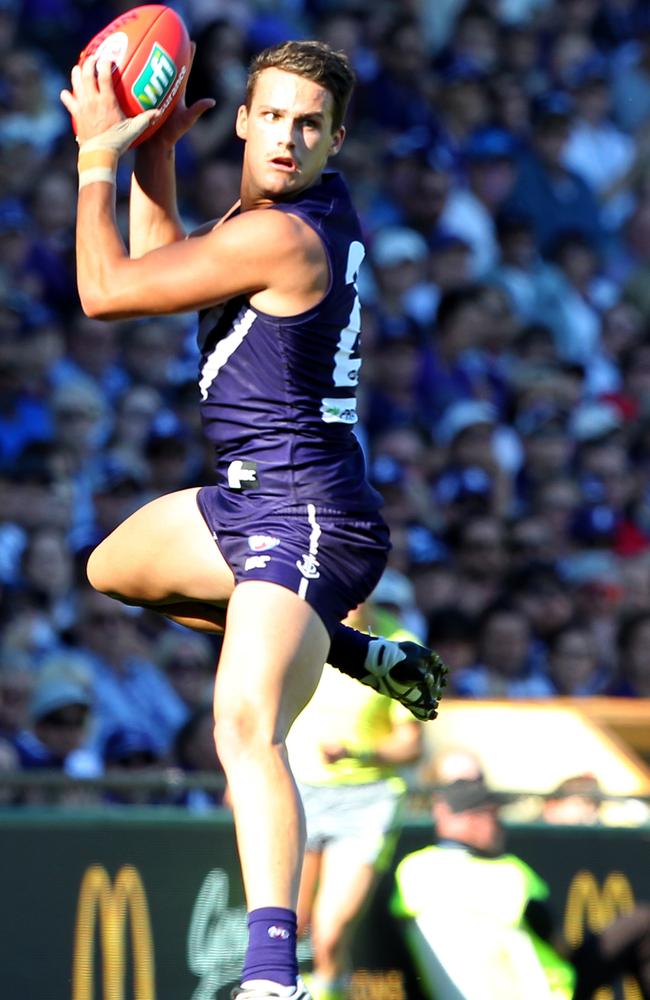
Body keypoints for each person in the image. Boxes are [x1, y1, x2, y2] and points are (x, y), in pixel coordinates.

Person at [59, 39, 446, 999]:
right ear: (242, 119)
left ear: (336, 140)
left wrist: (99, 156)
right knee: (113, 569)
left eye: (309, 125)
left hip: (307, 512)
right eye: (271, 115)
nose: (287, 135)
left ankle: (274, 976)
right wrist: (156, 154)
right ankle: (358, 655)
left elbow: (106, 292)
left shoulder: (278, 235)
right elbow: (165, 269)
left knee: (243, 725)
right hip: (251, 499)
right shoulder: (272, 214)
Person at [392, 776, 650, 1000]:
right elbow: (558, 946)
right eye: (494, 817)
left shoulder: (411, 869)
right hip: (549, 993)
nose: (501, 828)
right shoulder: (508, 873)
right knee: (643, 921)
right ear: (474, 819)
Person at [288, 597, 425, 1000]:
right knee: (288, 925)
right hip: (300, 789)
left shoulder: (401, 645)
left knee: (330, 934)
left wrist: (360, 754)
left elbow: (413, 745)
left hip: (367, 800)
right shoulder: (298, 625)